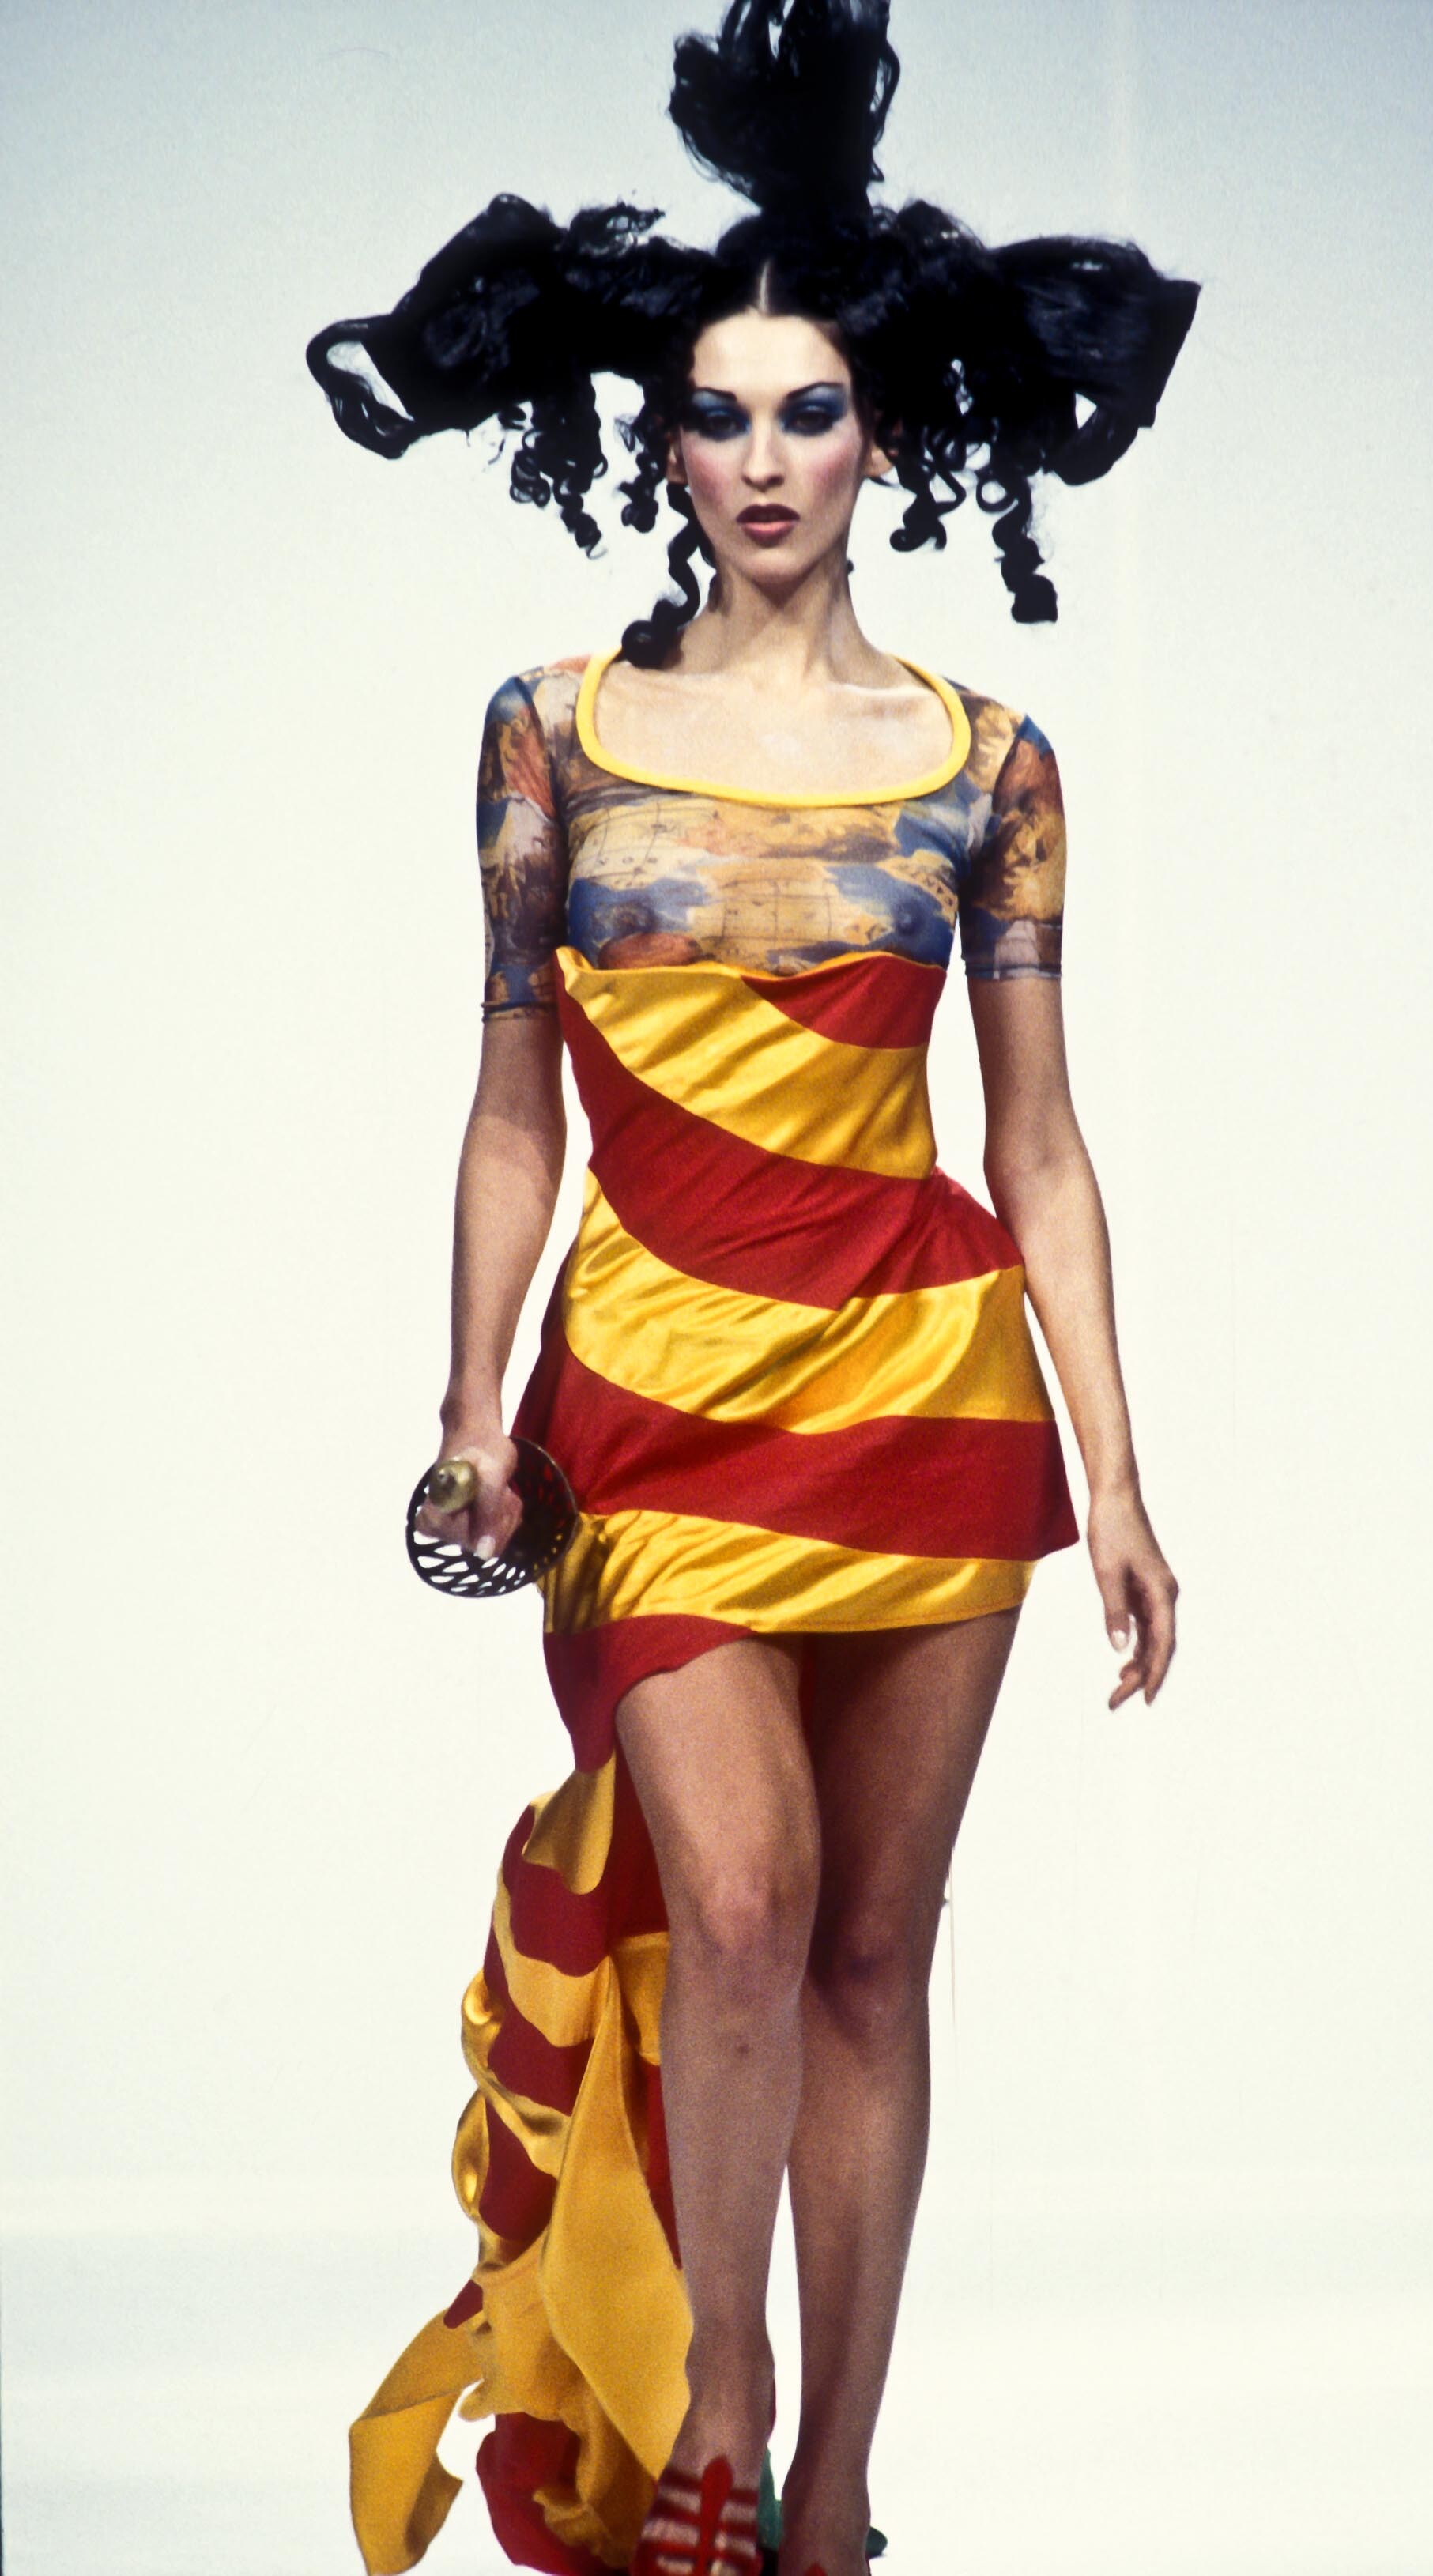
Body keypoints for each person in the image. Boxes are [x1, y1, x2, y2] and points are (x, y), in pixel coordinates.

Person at [308, 6, 1196, 2572]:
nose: (768, 458)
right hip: (658, 1387)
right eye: (720, 416)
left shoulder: (987, 762)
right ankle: (719, 2397)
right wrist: (472, 1408)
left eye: (811, 412)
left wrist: (1120, 1476)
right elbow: (513, 1106)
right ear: (664, 448)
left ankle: (835, 2503)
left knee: (875, 1961)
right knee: (744, 1902)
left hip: (929, 1390)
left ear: (882, 440)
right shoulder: (553, 734)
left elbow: (1040, 1141)